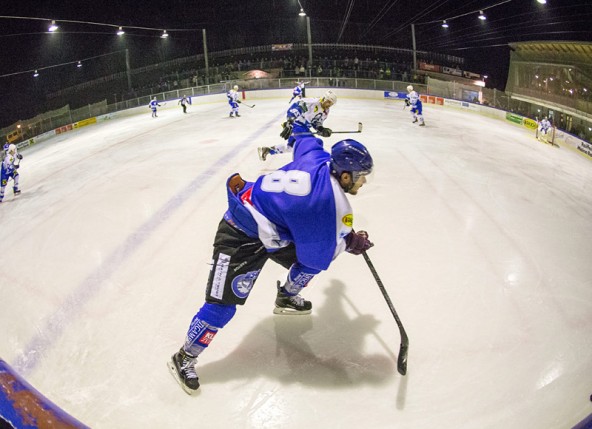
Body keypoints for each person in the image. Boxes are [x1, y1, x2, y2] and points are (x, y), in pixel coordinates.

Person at [168, 133, 375, 394]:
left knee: (309, 261)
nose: (364, 180)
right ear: (345, 176)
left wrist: (299, 127)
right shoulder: (329, 204)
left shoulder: (318, 158)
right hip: (239, 234)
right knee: (222, 308)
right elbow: (319, 256)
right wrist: (349, 243)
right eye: (361, 175)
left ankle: (286, 297)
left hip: (274, 228)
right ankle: (184, 356)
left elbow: (304, 137)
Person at [257, 90, 337, 161]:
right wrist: (290, 122)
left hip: (304, 127)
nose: (330, 105)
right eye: (329, 102)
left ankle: (267, 150)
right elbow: (297, 107)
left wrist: (321, 129)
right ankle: (317, 162)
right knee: (312, 143)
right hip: (296, 124)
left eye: (332, 103)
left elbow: (316, 122)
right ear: (324, 98)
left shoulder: (326, 111)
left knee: (291, 147)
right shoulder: (312, 102)